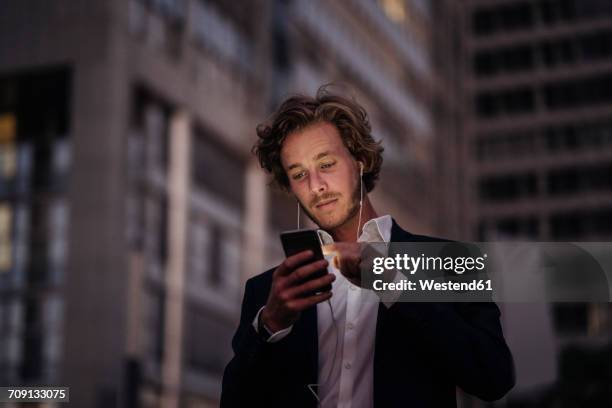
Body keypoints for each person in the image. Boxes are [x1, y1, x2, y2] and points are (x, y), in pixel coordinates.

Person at [221, 86, 515, 407]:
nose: (316, 185)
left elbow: (493, 377)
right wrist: (270, 325)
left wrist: (392, 284)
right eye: (299, 173)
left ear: (359, 161)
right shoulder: (269, 292)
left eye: (327, 164)